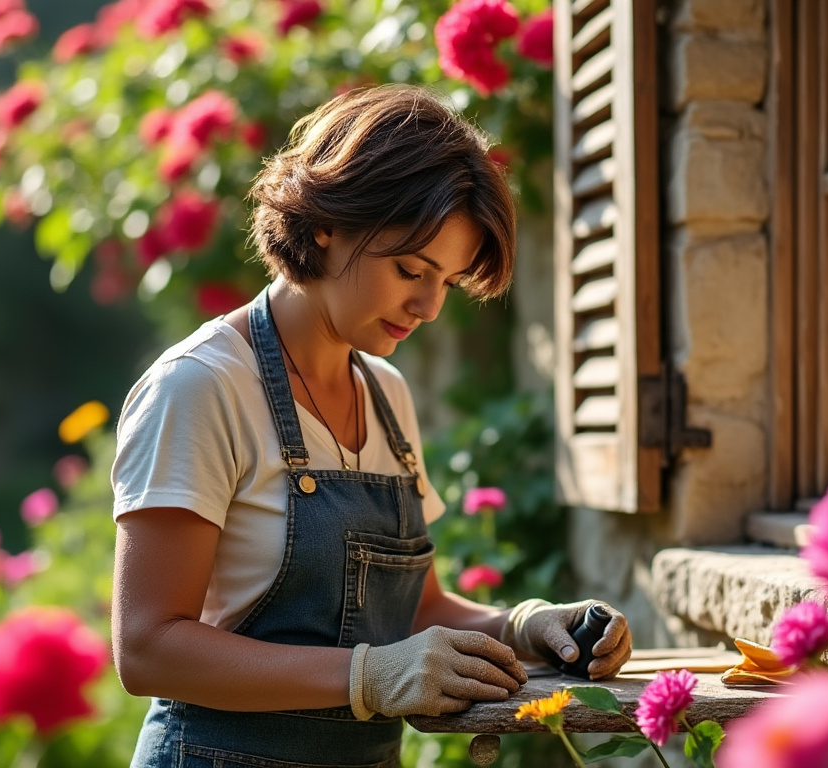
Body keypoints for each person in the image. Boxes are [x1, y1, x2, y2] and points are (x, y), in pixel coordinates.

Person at [110, 85, 633, 768]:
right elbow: (147, 647)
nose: (429, 306)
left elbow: (414, 613)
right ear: (327, 223)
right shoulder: (201, 387)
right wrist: (367, 676)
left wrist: (527, 626)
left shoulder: (386, 393)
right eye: (411, 270)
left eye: (448, 282)